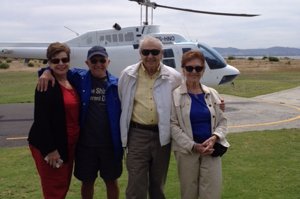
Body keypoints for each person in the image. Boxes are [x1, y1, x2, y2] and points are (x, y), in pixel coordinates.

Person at [38, 46, 122, 199]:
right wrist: (46, 72)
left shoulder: (117, 84)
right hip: (85, 145)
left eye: (102, 60)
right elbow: (57, 67)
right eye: (94, 61)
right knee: (87, 182)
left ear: (108, 62)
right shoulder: (79, 78)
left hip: (109, 145)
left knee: (111, 181)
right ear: (87, 63)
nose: (98, 64)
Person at [118, 35, 182, 199]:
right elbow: (122, 99)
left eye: (155, 52)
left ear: (162, 54)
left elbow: (183, 101)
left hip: (162, 136)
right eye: (145, 52)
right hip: (137, 134)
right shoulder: (128, 74)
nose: (150, 56)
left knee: (158, 184)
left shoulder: (174, 77)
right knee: (136, 185)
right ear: (140, 53)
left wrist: (215, 101)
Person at [170, 50, 230, 199]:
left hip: (211, 151)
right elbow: (172, 125)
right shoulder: (175, 95)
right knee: (189, 192)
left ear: (203, 70)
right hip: (187, 152)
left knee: (211, 193)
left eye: (198, 68)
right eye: (189, 68)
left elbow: (222, 121)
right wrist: (193, 145)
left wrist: (215, 137)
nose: (194, 71)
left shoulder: (213, 93)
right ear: (183, 70)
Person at [28, 42, 80, 199]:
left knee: (63, 185)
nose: (61, 64)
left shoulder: (72, 80)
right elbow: (41, 120)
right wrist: (50, 150)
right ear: (49, 62)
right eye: (56, 61)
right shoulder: (46, 84)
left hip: (69, 143)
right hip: (51, 146)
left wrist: (45, 71)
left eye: (64, 60)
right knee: (54, 190)